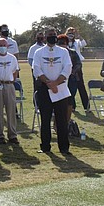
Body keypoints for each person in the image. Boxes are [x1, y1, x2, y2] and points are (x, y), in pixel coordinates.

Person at [32, 27, 73, 156]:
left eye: (54, 34)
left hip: (60, 88)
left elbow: (67, 68)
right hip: (44, 89)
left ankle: (64, 148)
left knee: (61, 120)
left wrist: (56, 83)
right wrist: (49, 83)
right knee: (45, 119)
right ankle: (45, 146)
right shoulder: (38, 52)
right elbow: (36, 69)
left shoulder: (63, 52)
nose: (52, 37)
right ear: (45, 37)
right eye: (50, 35)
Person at [0, 37, 20, 145]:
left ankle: (12, 135)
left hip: (9, 85)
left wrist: (10, 81)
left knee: (11, 110)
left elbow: (15, 71)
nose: (2, 47)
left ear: (7, 46)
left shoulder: (12, 58)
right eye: (0, 45)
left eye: (4, 45)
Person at [66, 27, 90, 113]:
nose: (71, 35)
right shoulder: (64, 43)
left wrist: (79, 36)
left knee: (81, 86)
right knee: (70, 87)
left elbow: (84, 44)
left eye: (72, 33)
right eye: (69, 33)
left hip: (77, 66)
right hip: (67, 66)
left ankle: (86, 106)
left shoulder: (77, 42)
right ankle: (72, 106)